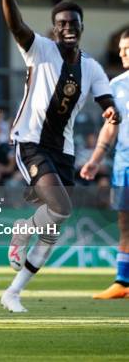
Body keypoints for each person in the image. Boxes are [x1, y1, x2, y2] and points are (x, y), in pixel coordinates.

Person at [0, 0, 120, 312]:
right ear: (54, 28)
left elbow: (106, 99)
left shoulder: (91, 67)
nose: (67, 28)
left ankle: (13, 292)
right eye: (61, 23)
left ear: (81, 28)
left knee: (54, 226)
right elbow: (16, 26)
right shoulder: (40, 49)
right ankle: (22, 227)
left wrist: (111, 111)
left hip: (64, 150)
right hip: (31, 141)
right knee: (60, 208)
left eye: (73, 23)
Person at [82, 29, 129, 299]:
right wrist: (95, 159)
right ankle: (122, 282)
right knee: (125, 222)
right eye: (121, 48)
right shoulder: (117, 85)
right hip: (124, 163)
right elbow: (110, 127)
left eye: (127, 48)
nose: (121, 53)